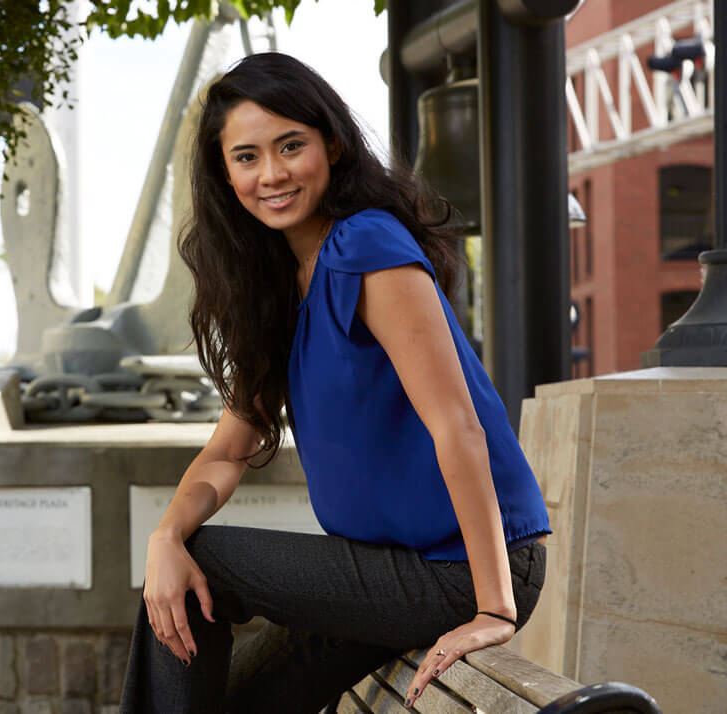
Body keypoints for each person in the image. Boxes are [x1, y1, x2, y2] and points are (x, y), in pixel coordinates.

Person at [120, 52, 551, 714]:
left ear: (333, 144)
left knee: (207, 559)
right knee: (221, 673)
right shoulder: (276, 290)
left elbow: (455, 424)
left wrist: (495, 606)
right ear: (224, 173)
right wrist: (164, 535)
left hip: (461, 568)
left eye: (291, 146)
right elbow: (228, 451)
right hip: (384, 568)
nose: (272, 174)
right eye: (247, 157)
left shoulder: (365, 247)